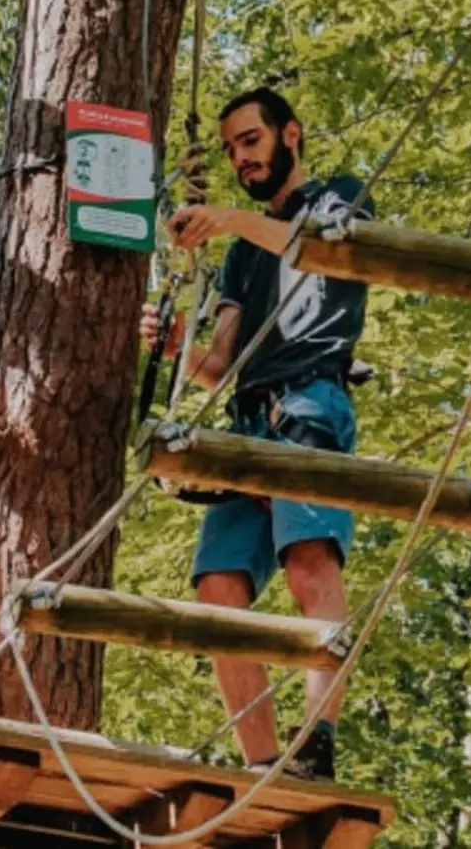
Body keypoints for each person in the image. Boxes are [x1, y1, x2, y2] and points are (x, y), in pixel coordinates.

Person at [139, 87, 374, 782]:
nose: (242, 157)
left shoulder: (339, 196)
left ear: (290, 135)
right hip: (250, 414)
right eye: (233, 148)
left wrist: (228, 218)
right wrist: (179, 344)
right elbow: (221, 365)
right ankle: (263, 761)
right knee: (218, 587)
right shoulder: (243, 252)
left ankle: (318, 740)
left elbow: (322, 250)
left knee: (309, 566)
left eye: (252, 140)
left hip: (309, 402)